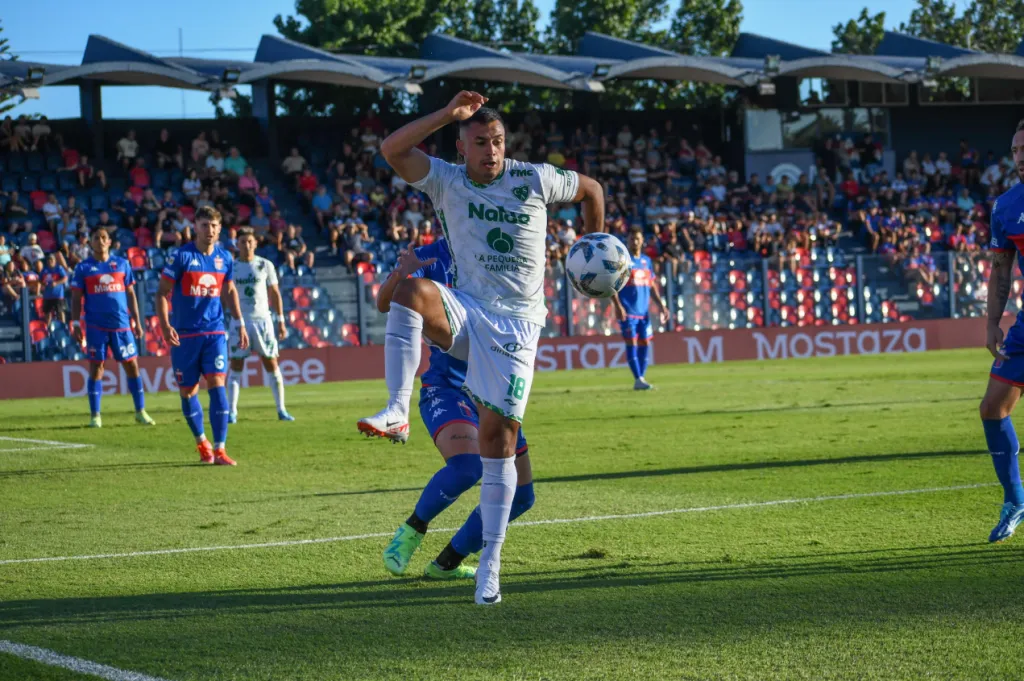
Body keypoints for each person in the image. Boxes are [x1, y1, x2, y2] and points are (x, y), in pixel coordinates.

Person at [358, 91, 604, 605]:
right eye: (479, 142)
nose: (490, 150)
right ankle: (397, 409)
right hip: (468, 312)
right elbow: (392, 149)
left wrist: (592, 247)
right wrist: (448, 113)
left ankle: (487, 566)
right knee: (410, 292)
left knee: (498, 444)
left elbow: (592, 189)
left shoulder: (534, 177)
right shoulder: (446, 180)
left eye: (496, 142)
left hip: (516, 329)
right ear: (461, 146)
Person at [375, 238, 536, 580]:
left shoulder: (503, 249)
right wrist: (400, 274)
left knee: (522, 495)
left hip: (494, 385)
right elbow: (383, 303)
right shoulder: (431, 255)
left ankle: (445, 564)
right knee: (467, 467)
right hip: (449, 389)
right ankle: (410, 534)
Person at [157, 206, 248, 466]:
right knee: (188, 391)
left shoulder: (225, 259)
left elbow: (229, 290)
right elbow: (162, 293)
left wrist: (239, 322)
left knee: (218, 383)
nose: (210, 230)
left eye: (214, 226)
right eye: (205, 225)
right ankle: (202, 443)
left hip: (215, 331)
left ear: (221, 229)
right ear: (196, 227)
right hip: (185, 335)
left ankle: (220, 449)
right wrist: (165, 325)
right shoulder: (181, 257)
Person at [69, 228, 155, 428]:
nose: (100, 241)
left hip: (121, 326)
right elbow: (75, 298)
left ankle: (140, 411)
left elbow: (131, 294)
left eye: (103, 238)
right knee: (96, 367)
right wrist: (75, 323)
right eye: (96, 238)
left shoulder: (122, 264)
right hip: (95, 326)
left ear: (109, 242)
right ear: (90, 243)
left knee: (132, 365)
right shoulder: (83, 268)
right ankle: (95, 415)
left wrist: (137, 321)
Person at [225, 228, 293, 424]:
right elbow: (225, 295)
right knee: (236, 365)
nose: (246, 245)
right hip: (240, 322)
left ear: (255, 243)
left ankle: (281, 409)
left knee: (271, 364)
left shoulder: (265, 265)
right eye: (243, 242)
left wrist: (281, 321)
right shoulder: (232, 267)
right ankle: (232, 412)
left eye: (249, 241)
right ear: (237, 245)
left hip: (263, 321)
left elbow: (275, 293)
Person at [612, 227, 669, 390]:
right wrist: (618, 306)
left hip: (643, 311)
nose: (634, 241)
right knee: (632, 342)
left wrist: (661, 305)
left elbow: (651, 285)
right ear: (627, 240)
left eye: (637, 238)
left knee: (645, 342)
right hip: (628, 310)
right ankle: (638, 378)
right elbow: (612, 286)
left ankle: (641, 378)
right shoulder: (623, 261)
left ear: (642, 240)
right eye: (631, 238)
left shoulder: (646, 261)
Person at [40, 253, 68, 325]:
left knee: (60, 312)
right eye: (49, 260)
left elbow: (65, 278)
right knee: (47, 313)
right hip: (47, 295)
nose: (50, 261)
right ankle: (48, 329)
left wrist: (56, 283)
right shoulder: (44, 270)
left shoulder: (59, 268)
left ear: (55, 261)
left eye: (51, 259)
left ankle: (63, 327)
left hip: (58, 295)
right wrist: (43, 283)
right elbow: (40, 280)